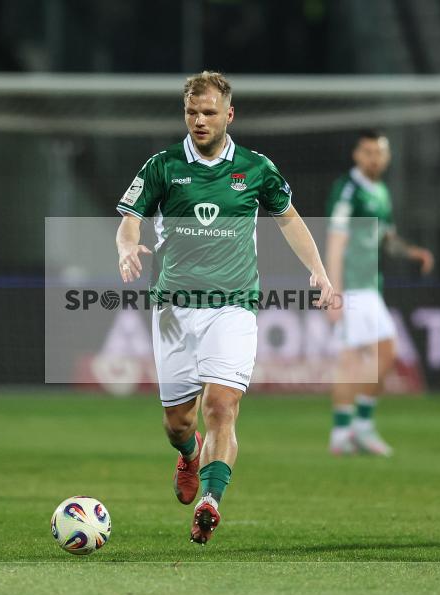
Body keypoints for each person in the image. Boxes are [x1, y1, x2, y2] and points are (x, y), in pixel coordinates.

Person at [115, 71, 333, 544]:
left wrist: (317, 269)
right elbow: (130, 220)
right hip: (173, 310)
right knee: (179, 422)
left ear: (229, 114)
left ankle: (211, 501)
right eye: (192, 112)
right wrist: (126, 248)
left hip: (233, 306)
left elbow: (289, 218)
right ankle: (188, 454)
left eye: (209, 112)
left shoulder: (255, 168)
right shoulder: (163, 166)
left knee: (221, 405)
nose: (199, 120)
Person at [325, 130, 433, 456]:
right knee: (367, 356)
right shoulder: (349, 189)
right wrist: (334, 291)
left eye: (379, 152)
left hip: (371, 285)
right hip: (354, 287)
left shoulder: (381, 192)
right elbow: (336, 240)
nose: (374, 158)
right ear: (357, 155)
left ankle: (349, 430)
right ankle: (353, 429)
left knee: (366, 357)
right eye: (368, 152)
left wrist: (411, 251)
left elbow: (386, 237)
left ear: (386, 157)